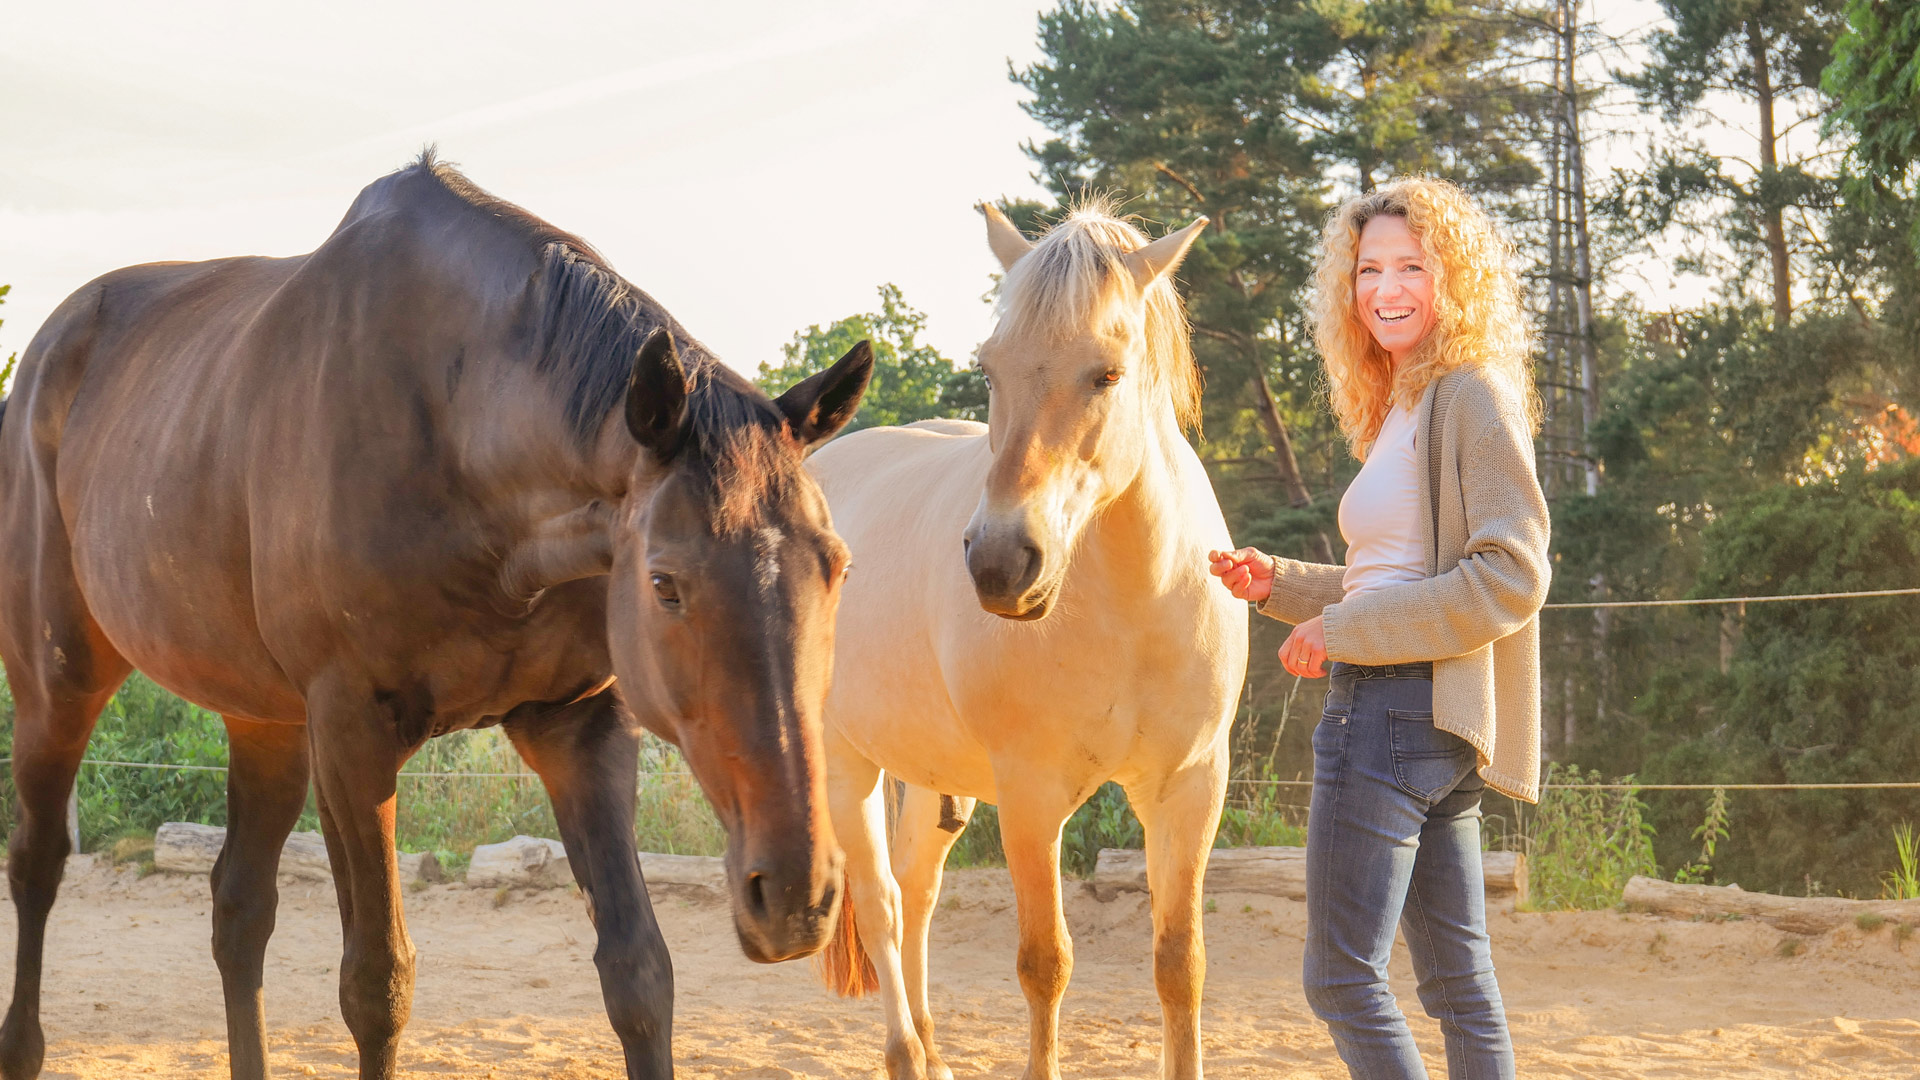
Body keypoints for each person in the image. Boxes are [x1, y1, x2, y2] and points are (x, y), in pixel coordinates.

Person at [1209, 177, 1550, 1080]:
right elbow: (1397, 579)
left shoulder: (1471, 395)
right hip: (1428, 719)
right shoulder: (1407, 402)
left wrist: (1346, 630)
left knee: (1341, 978)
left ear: (1455, 280)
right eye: (1369, 270)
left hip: (1392, 716)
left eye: (1412, 266)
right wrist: (1278, 585)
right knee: (1458, 986)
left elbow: (1512, 574)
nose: (1386, 288)